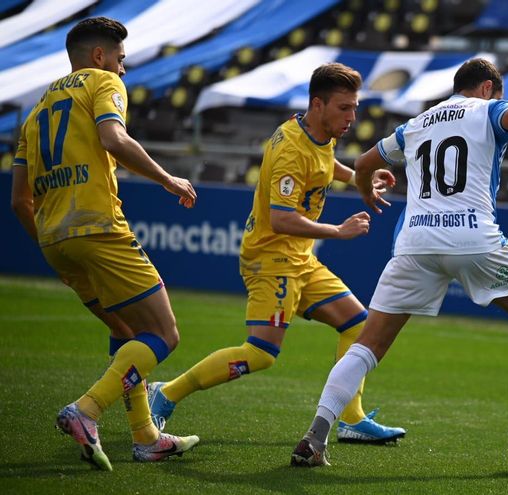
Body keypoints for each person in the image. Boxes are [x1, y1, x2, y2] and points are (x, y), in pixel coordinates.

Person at [290, 58, 508, 468]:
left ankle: (315, 436)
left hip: (416, 242)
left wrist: (366, 192)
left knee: (368, 344)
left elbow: (368, 161)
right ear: (486, 88)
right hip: (473, 235)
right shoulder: (490, 110)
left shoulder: (418, 122)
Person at [146, 63, 406, 445]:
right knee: (262, 353)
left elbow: (323, 161)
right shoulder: (288, 149)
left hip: (300, 258)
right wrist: (336, 231)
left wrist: (357, 177)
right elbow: (281, 218)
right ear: (317, 105)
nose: (352, 117)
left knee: (357, 324)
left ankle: (351, 418)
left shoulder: (319, 132)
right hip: (271, 257)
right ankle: (166, 393)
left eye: (354, 108)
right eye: (343, 108)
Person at [10, 17, 199, 471]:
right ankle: (87, 410)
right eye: (120, 58)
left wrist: (54, 245)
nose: (123, 69)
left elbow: (20, 200)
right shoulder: (102, 82)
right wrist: (168, 179)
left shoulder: (36, 111)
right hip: (96, 225)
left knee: (125, 332)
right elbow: (113, 137)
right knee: (163, 334)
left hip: (55, 239)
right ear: (100, 56)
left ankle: (146, 437)